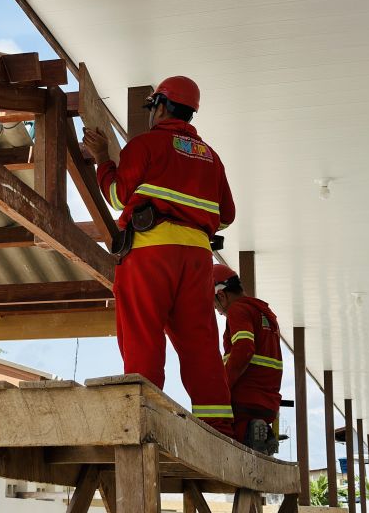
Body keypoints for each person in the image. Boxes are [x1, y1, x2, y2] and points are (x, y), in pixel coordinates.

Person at [82, 76, 236, 437]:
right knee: (200, 345)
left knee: (143, 335)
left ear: (161, 105)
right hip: (198, 259)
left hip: (151, 253)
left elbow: (119, 197)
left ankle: (143, 418)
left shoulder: (146, 145)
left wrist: (103, 159)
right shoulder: (211, 157)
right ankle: (218, 428)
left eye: (152, 107)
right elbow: (226, 215)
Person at [213, 264, 282, 454]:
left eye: (215, 304)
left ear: (221, 295)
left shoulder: (238, 310)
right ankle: (262, 431)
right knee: (253, 441)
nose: (217, 311)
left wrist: (223, 386)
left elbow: (244, 349)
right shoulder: (265, 314)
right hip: (268, 399)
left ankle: (253, 431)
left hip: (245, 394)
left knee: (236, 445)